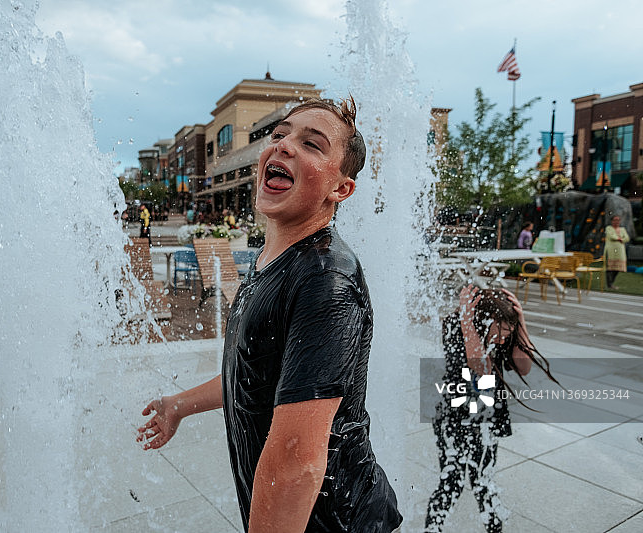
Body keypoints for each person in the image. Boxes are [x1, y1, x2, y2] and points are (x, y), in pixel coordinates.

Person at [138, 97, 402, 532]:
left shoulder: (324, 280)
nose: (284, 146)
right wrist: (179, 405)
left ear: (341, 188)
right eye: (280, 135)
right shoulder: (271, 261)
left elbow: (296, 462)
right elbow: (256, 372)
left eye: (312, 144)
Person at [425, 285, 558, 533]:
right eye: (501, 331)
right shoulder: (456, 324)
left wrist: (521, 323)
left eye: (508, 333)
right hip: (454, 414)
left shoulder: (502, 332)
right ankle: (433, 529)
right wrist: (467, 317)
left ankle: (493, 529)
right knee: (451, 482)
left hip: (486, 415)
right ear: (485, 320)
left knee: (483, 481)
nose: (503, 339)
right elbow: (480, 368)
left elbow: (524, 367)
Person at [604, 215, 630, 290]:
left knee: (618, 268)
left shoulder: (622, 229)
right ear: (612, 221)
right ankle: (609, 284)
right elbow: (611, 236)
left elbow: (627, 238)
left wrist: (621, 239)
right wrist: (620, 238)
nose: (616, 222)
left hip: (620, 251)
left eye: (618, 220)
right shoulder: (608, 228)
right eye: (615, 220)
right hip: (610, 250)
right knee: (610, 268)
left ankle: (611, 282)